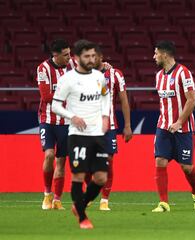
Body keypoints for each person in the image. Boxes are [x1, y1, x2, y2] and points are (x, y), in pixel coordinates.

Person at [52, 40, 110, 229]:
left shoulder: (99, 77)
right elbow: (55, 105)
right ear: (76, 58)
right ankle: (83, 218)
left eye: (94, 55)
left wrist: (105, 116)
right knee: (78, 176)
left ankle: (80, 205)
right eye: (87, 56)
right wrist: (72, 116)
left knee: (101, 178)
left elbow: (105, 96)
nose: (91, 59)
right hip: (77, 135)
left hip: (97, 134)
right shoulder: (67, 79)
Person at [152, 40, 195, 212]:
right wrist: (168, 122)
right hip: (164, 126)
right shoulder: (159, 76)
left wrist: (179, 121)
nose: (154, 56)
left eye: (156, 53)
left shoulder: (184, 73)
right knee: (160, 161)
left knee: (187, 167)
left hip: (184, 128)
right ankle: (163, 203)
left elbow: (191, 100)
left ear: (164, 54)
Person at [36, 39, 76, 210]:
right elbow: (45, 96)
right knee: (49, 155)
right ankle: (47, 195)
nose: (69, 57)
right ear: (55, 55)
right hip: (48, 120)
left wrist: (104, 65)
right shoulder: (43, 69)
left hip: (66, 122)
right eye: (65, 55)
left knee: (61, 161)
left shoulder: (73, 65)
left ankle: (57, 199)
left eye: (69, 54)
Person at [93, 46, 133, 210]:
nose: (90, 60)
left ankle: (104, 200)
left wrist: (128, 125)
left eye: (94, 56)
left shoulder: (115, 74)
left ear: (101, 57)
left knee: (108, 161)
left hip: (109, 126)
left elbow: (123, 100)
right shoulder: (82, 74)